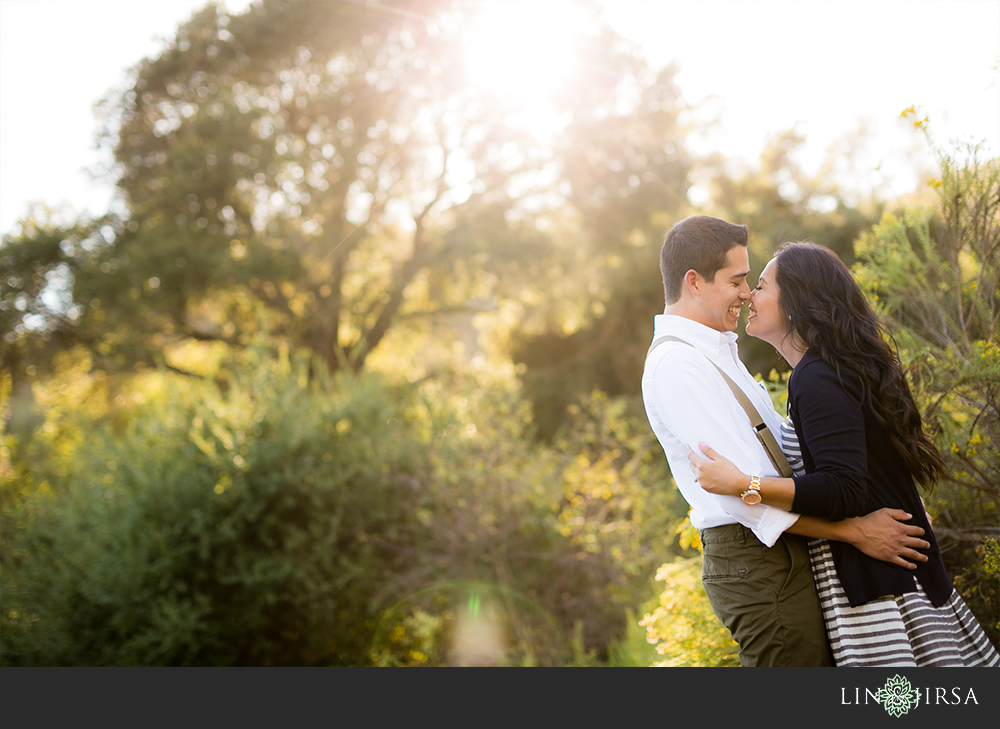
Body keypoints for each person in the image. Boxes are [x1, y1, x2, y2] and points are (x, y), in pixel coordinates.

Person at [688, 240, 1000, 667]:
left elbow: (845, 488)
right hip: (896, 577)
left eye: (760, 286)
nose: (748, 296)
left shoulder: (816, 378)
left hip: (881, 594)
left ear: (797, 301)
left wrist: (745, 485)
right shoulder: (831, 369)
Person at [641, 215, 931, 667]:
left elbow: (791, 454)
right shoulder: (679, 366)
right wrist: (855, 531)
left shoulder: (716, 353)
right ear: (694, 282)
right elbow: (740, 496)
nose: (746, 293)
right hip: (754, 553)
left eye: (752, 282)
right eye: (738, 281)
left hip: (787, 544)